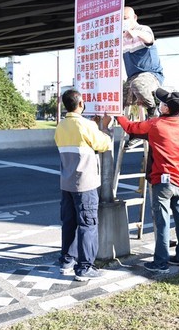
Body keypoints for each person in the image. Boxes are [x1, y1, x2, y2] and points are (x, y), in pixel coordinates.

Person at [115, 88, 179, 274]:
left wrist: (118, 114)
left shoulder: (155, 125)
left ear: (166, 108)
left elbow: (130, 128)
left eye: (162, 103)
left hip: (162, 180)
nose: (159, 105)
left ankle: (160, 262)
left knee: (162, 222)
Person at [54, 89, 113, 281]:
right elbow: (103, 144)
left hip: (66, 183)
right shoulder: (86, 125)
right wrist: (105, 128)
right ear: (81, 104)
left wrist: (93, 127)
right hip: (85, 184)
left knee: (69, 223)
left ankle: (66, 261)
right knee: (88, 224)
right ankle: (85, 267)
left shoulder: (61, 125)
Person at [122, 6, 164, 118]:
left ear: (134, 17)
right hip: (132, 77)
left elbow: (149, 39)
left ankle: (152, 111)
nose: (123, 21)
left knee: (138, 85)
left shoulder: (143, 29)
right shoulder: (120, 37)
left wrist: (136, 33)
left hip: (151, 74)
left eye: (125, 18)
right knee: (119, 98)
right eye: (120, 19)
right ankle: (124, 125)